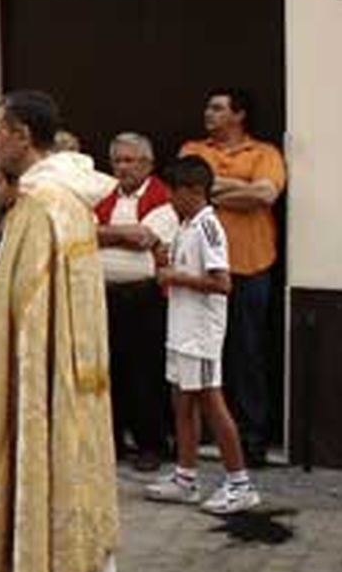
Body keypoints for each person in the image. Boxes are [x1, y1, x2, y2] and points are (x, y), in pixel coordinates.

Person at [0, 91, 119, 572]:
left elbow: (24, 298)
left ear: (22, 135)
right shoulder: (70, 198)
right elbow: (43, 290)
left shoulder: (39, 204)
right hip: (74, 366)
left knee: (38, 461)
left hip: (41, 372)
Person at [145, 156, 261, 514]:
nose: (170, 201)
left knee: (212, 401)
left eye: (174, 193)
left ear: (194, 191)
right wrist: (164, 259)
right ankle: (185, 476)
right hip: (180, 328)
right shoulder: (185, 226)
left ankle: (239, 482)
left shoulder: (209, 227)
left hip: (201, 333)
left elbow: (221, 282)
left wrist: (176, 278)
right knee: (183, 400)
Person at [179, 88, 286, 467]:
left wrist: (215, 190)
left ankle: (252, 436)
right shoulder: (194, 147)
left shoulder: (265, 153)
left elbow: (266, 195)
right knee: (201, 354)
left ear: (239, 115)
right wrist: (244, 188)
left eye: (217, 108)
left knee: (247, 353)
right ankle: (202, 436)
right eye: (208, 106)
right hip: (200, 274)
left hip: (251, 267)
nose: (208, 113)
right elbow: (186, 190)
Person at [96, 133, 179, 473]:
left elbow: (147, 237)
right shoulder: (102, 195)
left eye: (130, 161)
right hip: (104, 294)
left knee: (145, 373)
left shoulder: (164, 196)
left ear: (148, 164)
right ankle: (111, 441)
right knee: (107, 371)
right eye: (117, 161)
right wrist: (124, 234)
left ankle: (151, 444)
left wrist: (106, 233)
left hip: (145, 297)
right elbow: (83, 232)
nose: (123, 167)